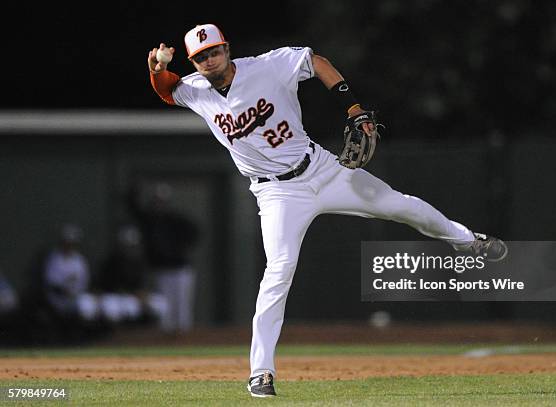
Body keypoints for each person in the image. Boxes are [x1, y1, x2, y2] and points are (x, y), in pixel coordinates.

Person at [147, 24, 508, 397]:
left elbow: (316, 62)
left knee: (400, 205)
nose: (210, 59)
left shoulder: (267, 67)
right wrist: (157, 68)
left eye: (215, 51)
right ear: (194, 62)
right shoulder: (197, 90)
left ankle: (468, 241)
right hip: (277, 195)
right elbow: (168, 90)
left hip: (322, 167)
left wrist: (352, 105)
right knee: (279, 271)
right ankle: (261, 372)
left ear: (227, 48)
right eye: (201, 57)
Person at [127, 182, 200, 334]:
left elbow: (195, 232)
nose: (159, 204)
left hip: (180, 268)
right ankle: (166, 339)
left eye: (162, 201)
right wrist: (133, 194)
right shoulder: (150, 220)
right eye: (157, 200)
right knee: (164, 307)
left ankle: (185, 338)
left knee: (181, 306)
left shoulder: (175, 219)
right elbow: (135, 211)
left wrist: (180, 248)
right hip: (161, 269)